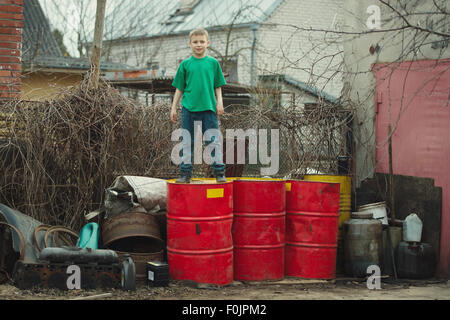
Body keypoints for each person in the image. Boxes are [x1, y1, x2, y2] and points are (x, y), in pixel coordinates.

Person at [170, 27, 227, 183]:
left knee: (213, 140)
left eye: (202, 41)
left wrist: (219, 102)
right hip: (189, 109)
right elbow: (179, 88)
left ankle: (219, 172)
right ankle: (185, 173)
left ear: (208, 43)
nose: (199, 44)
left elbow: (218, 85)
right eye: (195, 42)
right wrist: (174, 107)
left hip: (209, 108)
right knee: (188, 141)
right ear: (190, 44)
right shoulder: (185, 65)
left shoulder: (213, 63)